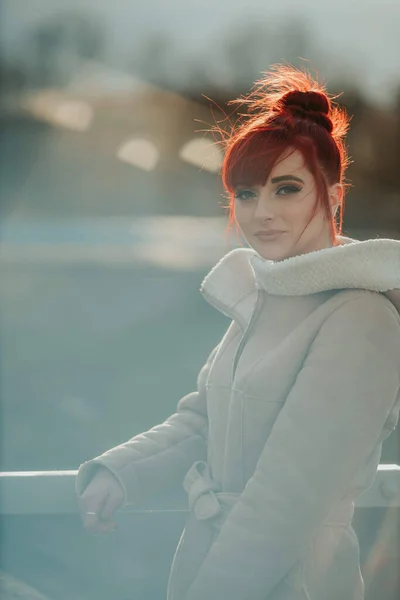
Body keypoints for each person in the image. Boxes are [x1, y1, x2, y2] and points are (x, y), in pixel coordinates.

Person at [76, 64, 400, 600]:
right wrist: (121, 472)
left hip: (290, 583)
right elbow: (205, 420)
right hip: (220, 566)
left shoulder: (359, 320)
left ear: (334, 194)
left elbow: (286, 502)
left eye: (287, 188)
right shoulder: (269, 296)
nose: (261, 213)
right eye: (246, 194)